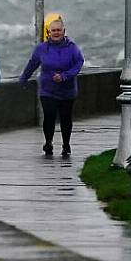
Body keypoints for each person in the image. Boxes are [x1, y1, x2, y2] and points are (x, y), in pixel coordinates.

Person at [19, 15, 85, 159]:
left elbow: (79, 63)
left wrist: (65, 76)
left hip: (67, 90)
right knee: (49, 116)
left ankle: (66, 145)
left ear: (64, 31)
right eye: (53, 30)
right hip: (47, 90)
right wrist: (23, 79)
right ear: (49, 32)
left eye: (59, 30)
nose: (56, 33)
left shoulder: (72, 48)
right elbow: (32, 64)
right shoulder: (42, 48)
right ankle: (48, 142)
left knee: (65, 117)